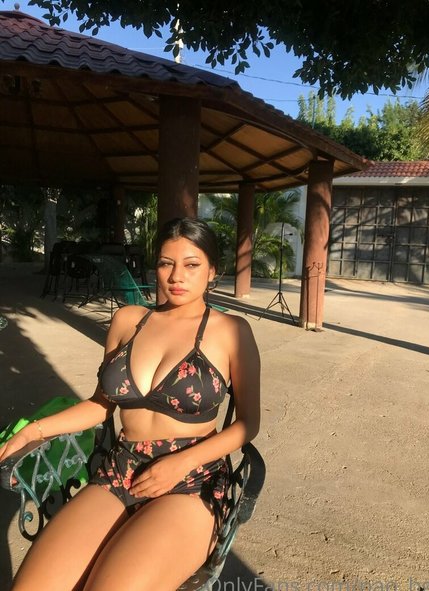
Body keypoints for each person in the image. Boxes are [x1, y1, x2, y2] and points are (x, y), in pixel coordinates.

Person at [0, 217, 261, 591]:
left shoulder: (231, 330)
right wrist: (34, 430)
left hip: (191, 481)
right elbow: (100, 405)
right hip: (121, 470)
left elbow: (247, 424)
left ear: (212, 271)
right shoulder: (128, 320)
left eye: (191, 264)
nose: (176, 276)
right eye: (166, 263)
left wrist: (182, 462)